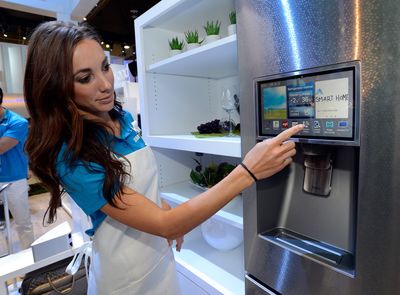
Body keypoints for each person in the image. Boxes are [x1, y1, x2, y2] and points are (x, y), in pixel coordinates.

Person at [23, 21, 303, 295]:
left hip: (159, 256)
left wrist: (166, 209)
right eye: (85, 78)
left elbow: (138, 189)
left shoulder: (121, 119)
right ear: (57, 88)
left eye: (105, 67)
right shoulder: (72, 157)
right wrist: (248, 172)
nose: (106, 84)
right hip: (125, 279)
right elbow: (164, 224)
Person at [0, 87, 34, 250]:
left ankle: (30, 268)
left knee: (23, 223)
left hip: (14, 180)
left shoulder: (18, 122)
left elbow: (1, 147)